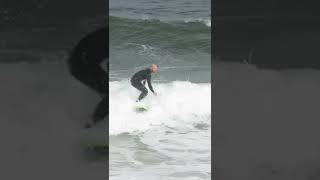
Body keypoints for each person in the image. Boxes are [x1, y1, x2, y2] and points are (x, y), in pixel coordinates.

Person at [67, 26, 108, 128]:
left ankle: (100, 126)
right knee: (112, 94)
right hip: (80, 63)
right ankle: (90, 128)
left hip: (83, 63)